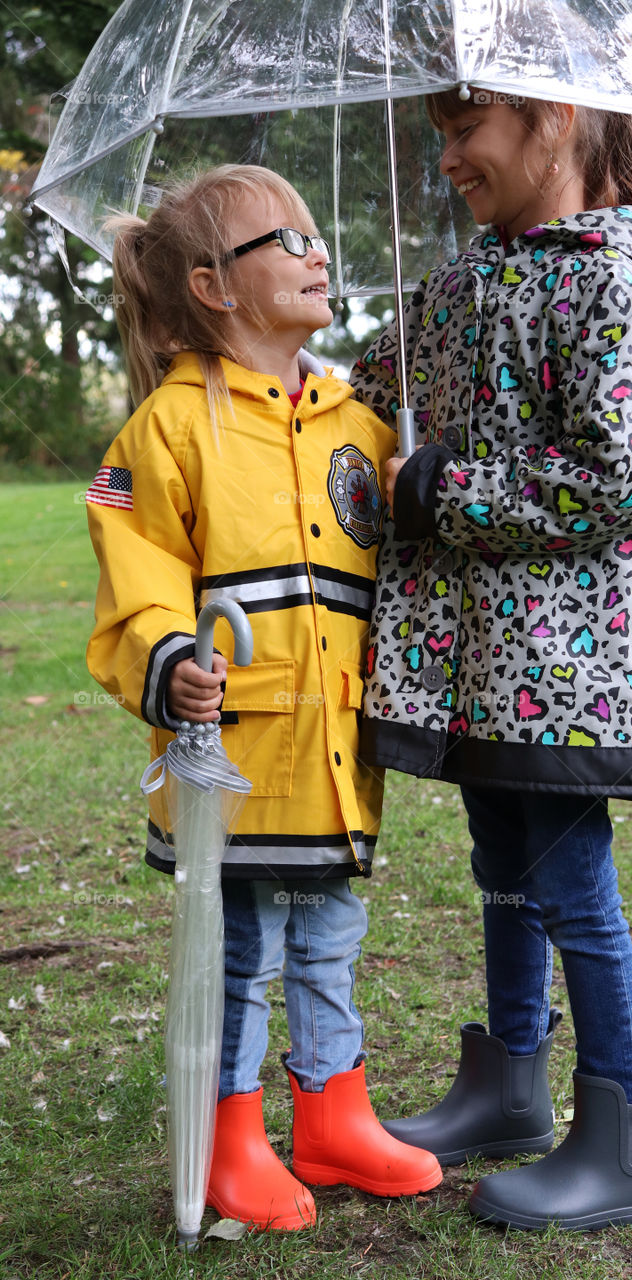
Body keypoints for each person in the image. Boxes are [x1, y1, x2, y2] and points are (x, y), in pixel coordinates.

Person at [349, 93, 632, 1231]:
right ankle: (507, 1082)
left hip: (564, 658)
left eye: (467, 130)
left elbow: (628, 468)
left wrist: (441, 492)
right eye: (439, 135)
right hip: (476, 658)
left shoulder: (607, 280)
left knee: (566, 879)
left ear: (551, 122)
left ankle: (623, 1142)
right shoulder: (456, 283)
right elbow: (366, 399)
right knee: (499, 858)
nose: (446, 157)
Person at [84, 164, 441, 1233]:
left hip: (337, 756)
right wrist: (168, 656)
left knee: (330, 938)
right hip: (234, 767)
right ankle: (233, 1134)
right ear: (211, 285)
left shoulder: (360, 425)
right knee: (240, 955)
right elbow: (134, 575)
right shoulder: (170, 428)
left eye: (314, 235)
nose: (316, 252)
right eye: (284, 239)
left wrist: (422, 483)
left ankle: (334, 1109)